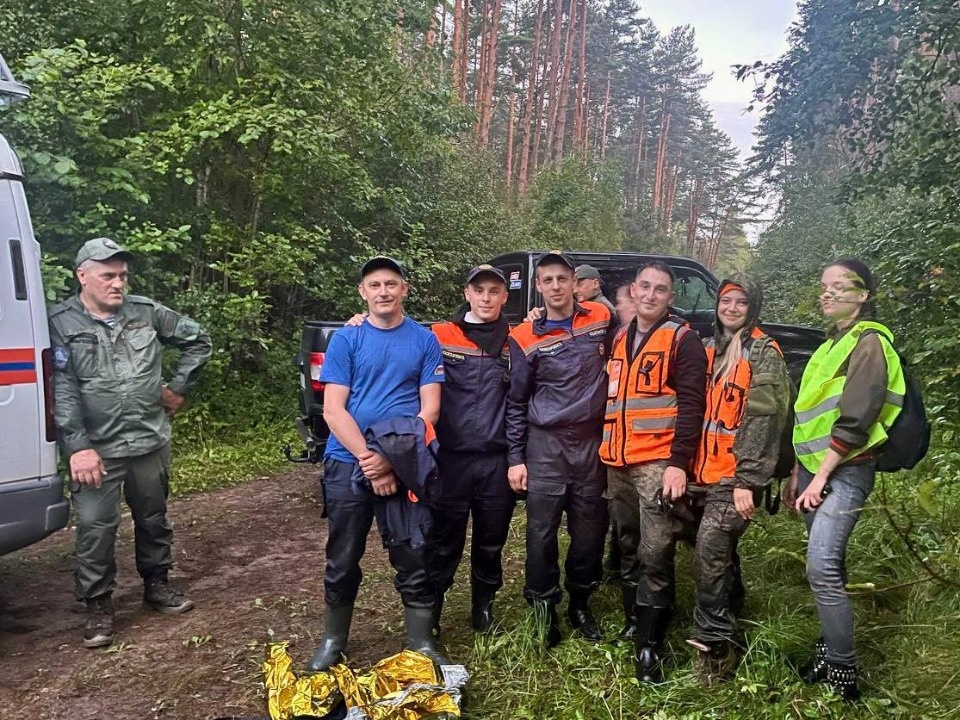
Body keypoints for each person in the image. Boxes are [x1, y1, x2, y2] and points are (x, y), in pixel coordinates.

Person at [49, 237, 212, 649]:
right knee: (94, 527)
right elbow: (61, 389)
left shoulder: (146, 312)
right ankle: (98, 603)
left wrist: (177, 387)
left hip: (148, 439)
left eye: (122, 275)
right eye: (108, 275)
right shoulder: (60, 323)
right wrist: (77, 447)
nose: (118, 283)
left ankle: (156, 585)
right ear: (82, 276)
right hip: (96, 449)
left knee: (153, 518)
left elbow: (198, 340)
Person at [307, 257, 447, 671]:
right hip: (345, 463)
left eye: (391, 283)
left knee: (412, 552)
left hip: (404, 465)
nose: (383, 291)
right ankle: (334, 640)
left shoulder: (424, 340)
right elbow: (333, 410)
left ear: (404, 289)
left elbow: (430, 411)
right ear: (362, 292)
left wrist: (391, 460)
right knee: (343, 557)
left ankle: (419, 643)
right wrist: (371, 460)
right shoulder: (346, 340)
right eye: (374, 284)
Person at [784, 258, 905, 701]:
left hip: (846, 472)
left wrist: (820, 480)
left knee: (821, 567)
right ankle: (829, 648)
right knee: (827, 567)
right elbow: (807, 419)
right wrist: (799, 473)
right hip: (816, 471)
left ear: (865, 294)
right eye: (823, 286)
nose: (828, 292)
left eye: (840, 285)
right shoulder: (830, 344)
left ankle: (843, 672)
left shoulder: (869, 342)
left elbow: (856, 420)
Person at [598, 261, 707, 683]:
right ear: (634, 289)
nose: (649, 294)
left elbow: (694, 406)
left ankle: (650, 646)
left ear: (669, 297)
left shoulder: (683, 340)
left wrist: (678, 464)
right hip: (618, 462)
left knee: (656, 550)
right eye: (644, 286)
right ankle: (633, 621)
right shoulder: (620, 337)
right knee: (626, 543)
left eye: (659, 289)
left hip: (657, 464)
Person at [506, 252, 618, 646]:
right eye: (548, 279)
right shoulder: (524, 336)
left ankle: (581, 604)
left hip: (592, 442)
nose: (555, 286)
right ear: (538, 287)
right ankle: (543, 609)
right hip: (546, 445)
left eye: (562, 278)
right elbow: (516, 401)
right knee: (542, 533)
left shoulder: (602, 319)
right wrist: (516, 458)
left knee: (590, 530)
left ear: (575, 282)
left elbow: (641, 331)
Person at [686, 275, 791, 686]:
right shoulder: (710, 349)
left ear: (753, 307)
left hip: (736, 477)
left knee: (709, 551)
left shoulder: (764, 352)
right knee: (720, 554)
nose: (731, 308)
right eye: (725, 300)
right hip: (701, 473)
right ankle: (734, 615)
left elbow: (764, 421)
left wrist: (748, 479)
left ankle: (715, 650)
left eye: (740, 302)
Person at [430, 265, 515, 633]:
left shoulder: (517, 339)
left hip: (497, 461)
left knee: (491, 542)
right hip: (450, 460)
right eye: (478, 290)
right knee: (443, 541)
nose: (485, 297)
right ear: (467, 293)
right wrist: (359, 320)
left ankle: (483, 610)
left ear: (504, 297)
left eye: (493, 291)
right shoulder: (437, 335)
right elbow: (394, 336)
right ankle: (430, 613)